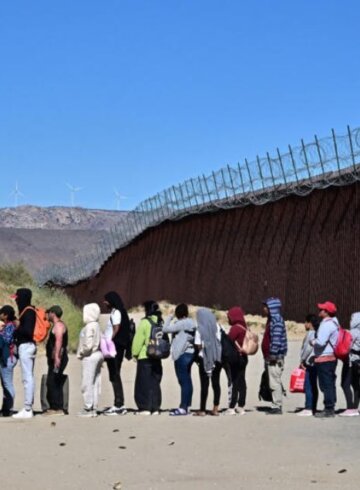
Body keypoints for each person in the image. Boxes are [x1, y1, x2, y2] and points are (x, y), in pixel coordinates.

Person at [163, 303, 196, 415]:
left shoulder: (182, 323)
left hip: (182, 354)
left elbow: (165, 329)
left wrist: (170, 317)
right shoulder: (192, 322)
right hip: (190, 354)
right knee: (187, 380)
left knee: (183, 381)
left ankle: (183, 407)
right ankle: (186, 406)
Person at [132, 301, 164, 415]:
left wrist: (134, 353)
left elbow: (138, 341)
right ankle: (155, 407)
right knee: (155, 383)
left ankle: (145, 407)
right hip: (157, 356)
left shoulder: (145, 322)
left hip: (145, 356)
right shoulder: (160, 322)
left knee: (143, 383)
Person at [103, 292, 131, 416]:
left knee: (115, 375)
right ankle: (119, 403)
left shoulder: (117, 312)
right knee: (114, 375)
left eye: (106, 300)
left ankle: (119, 404)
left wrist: (109, 342)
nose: (105, 303)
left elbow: (116, 328)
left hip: (115, 348)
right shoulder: (118, 311)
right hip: (116, 347)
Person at [11, 288, 37, 419]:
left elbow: (27, 332)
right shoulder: (26, 311)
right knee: (28, 377)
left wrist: (17, 327)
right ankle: (28, 407)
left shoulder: (28, 312)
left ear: (22, 298)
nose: (16, 300)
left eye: (17, 298)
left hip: (26, 346)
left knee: (27, 378)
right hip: (25, 347)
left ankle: (28, 409)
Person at [312, 301, 339, 418]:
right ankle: (330, 405)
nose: (319, 311)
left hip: (325, 358)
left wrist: (312, 342)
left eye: (322, 309)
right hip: (331, 357)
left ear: (326, 312)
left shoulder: (327, 324)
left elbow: (320, 342)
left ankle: (329, 408)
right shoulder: (334, 323)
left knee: (326, 384)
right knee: (330, 383)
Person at [261, 297, 288, 415]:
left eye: (266, 307)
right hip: (270, 357)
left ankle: (277, 406)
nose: (264, 309)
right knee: (272, 380)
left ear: (272, 308)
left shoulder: (276, 320)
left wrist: (272, 355)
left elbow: (276, 340)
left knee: (274, 381)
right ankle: (274, 403)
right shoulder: (271, 320)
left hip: (275, 358)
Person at [194, 308, 222, 416]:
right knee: (216, 384)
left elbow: (198, 345)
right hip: (216, 357)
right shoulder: (218, 327)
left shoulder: (199, 329)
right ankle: (215, 409)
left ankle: (202, 410)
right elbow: (219, 341)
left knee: (204, 385)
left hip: (204, 358)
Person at [77, 303, 103, 417]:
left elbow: (88, 344)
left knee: (87, 383)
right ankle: (93, 406)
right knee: (95, 382)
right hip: (98, 354)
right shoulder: (96, 325)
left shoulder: (89, 327)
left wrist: (81, 352)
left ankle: (88, 407)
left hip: (90, 356)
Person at [44, 305, 68, 415]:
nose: (47, 315)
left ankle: (57, 408)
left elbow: (59, 341)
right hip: (55, 359)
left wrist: (57, 357)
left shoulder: (58, 325)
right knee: (53, 381)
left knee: (53, 382)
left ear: (53, 313)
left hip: (58, 359)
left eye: (49, 313)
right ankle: (56, 407)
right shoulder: (57, 325)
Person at [224, 306, 248, 416]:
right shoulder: (244, 327)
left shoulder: (235, 328)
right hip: (244, 357)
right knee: (242, 381)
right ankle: (241, 406)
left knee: (234, 381)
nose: (228, 319)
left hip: (235, 358)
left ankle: (232, 407)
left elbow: (229, 341)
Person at [297, 314, 319, 416]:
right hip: (316, 362)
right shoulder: (318, 333)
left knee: (308, 385)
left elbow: (307, 349)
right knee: (314, 385)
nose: (304, 324)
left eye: (305, 322)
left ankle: (308, 407)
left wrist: (302, 360)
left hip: (310, 362)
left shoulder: (311, 333)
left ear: (309, 323)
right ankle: (313, 407)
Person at [0, 305, 18, 416]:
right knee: (5, 384)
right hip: (5, 357)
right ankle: (5, 408)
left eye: (1, 313)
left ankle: (9, 408)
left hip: (8, 358)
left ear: (5, 315)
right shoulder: (8, 325)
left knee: (7, 384)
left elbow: (6, 340)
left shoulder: (10, 326)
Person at [348, 311, 360, 415]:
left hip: (354, 360)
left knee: (354, 383)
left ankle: (353, 406)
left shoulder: (354, 332)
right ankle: (356, 406)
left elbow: (348, 345)